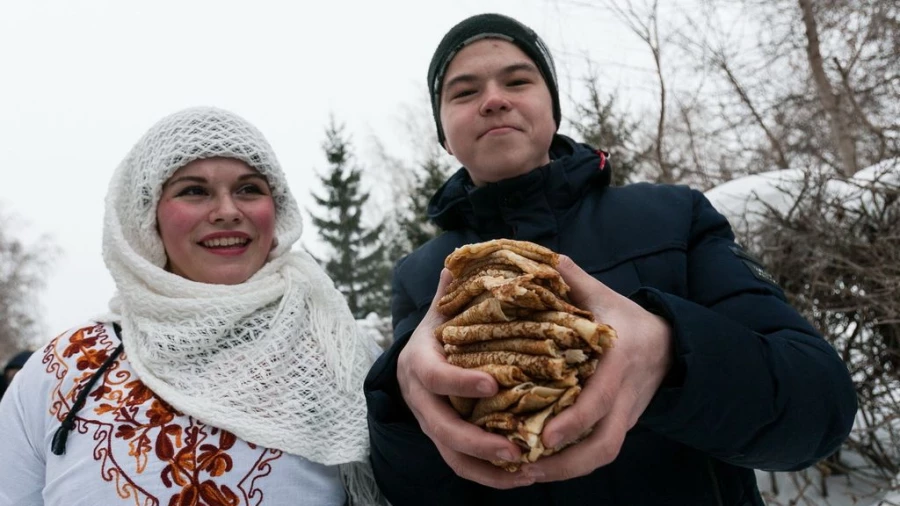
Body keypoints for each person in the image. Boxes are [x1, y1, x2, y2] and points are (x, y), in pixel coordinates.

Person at [363, 13, 858, 505]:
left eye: (518, 80)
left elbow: (818, 410)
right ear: (444, 136)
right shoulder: (424, 276)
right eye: (464, 92)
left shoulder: (672, 217)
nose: (494, 99)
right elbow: (415, 492)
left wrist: (673, 354)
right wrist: (404, 404)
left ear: (552, 109)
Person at [0, 107, 383, 505]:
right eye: (194, 191)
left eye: (249, 189)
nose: (228, 211)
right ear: (147, 216)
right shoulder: (65, 369)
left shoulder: (339, 352)